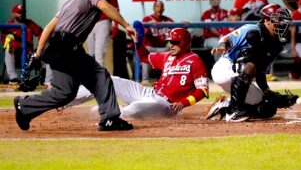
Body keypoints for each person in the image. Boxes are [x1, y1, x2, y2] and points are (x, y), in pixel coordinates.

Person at [13, 0, 137, 131]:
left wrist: (38, 53)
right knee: (67, 91)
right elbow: (104, 5)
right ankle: (24, 105)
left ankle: (110, 118)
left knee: (97, 77)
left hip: (61, 46)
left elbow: (50, 26)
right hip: (65, 47)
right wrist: (126, 25)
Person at [65, 28, 209, 119]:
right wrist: (138, 42)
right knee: (108, 79)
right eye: (170, 41)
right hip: (149, 93)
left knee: (134, 109)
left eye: (175, 42)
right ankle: (65, 100)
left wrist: (183, 103)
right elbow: (144, 56)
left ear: (184, 43)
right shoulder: (167, 57)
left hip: (166, 105)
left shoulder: (195, 61)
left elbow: (202, 90)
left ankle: (114, 111)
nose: (170, 44)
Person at [207, 3, 299, 122]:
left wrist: (267, 91)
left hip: (241, 76)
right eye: (278, 20)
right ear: (267, 20)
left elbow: (260, 71)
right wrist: (223, 47)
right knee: (249, 59)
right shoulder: (252, 29)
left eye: (282, 21)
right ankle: (233, 112)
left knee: (267, 108)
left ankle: (224, 108)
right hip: (225, 69)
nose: (282, 24)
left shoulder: (275, 44)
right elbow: (226, 39)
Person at [1, 4, 43, 84]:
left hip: (28, 54)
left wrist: (39, 47)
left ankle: (45, 79)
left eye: (22, 12)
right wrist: (9, 46)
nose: (21, 14)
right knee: (8, 51)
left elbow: (41, 32)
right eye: (19, 12)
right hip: (15, 54)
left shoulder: (29, 23)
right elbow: (3, 39)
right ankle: (13, 78)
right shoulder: (8, 24)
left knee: (45, 54)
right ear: (13, 14)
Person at [86, 0, 119, 67]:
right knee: (90, 53)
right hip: (90, 23)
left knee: (99, 54)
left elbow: (116, 10)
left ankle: (99, 79)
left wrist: (115, 27)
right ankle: (90, 77)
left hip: (103, 22)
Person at [141, 0, 174, 84]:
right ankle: (145, 80)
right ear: (153, 8)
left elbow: (176, 32)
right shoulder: (147, 19)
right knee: (145, 53)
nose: (159, 9)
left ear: (164, 9)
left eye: (161, 7)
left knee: (174, 52)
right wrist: (148, 25)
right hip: (151, 47)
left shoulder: (168, 20)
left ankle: (170, 80)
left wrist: (183, 24)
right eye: (157, 6)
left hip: (163, 48)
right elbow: (142, 33)